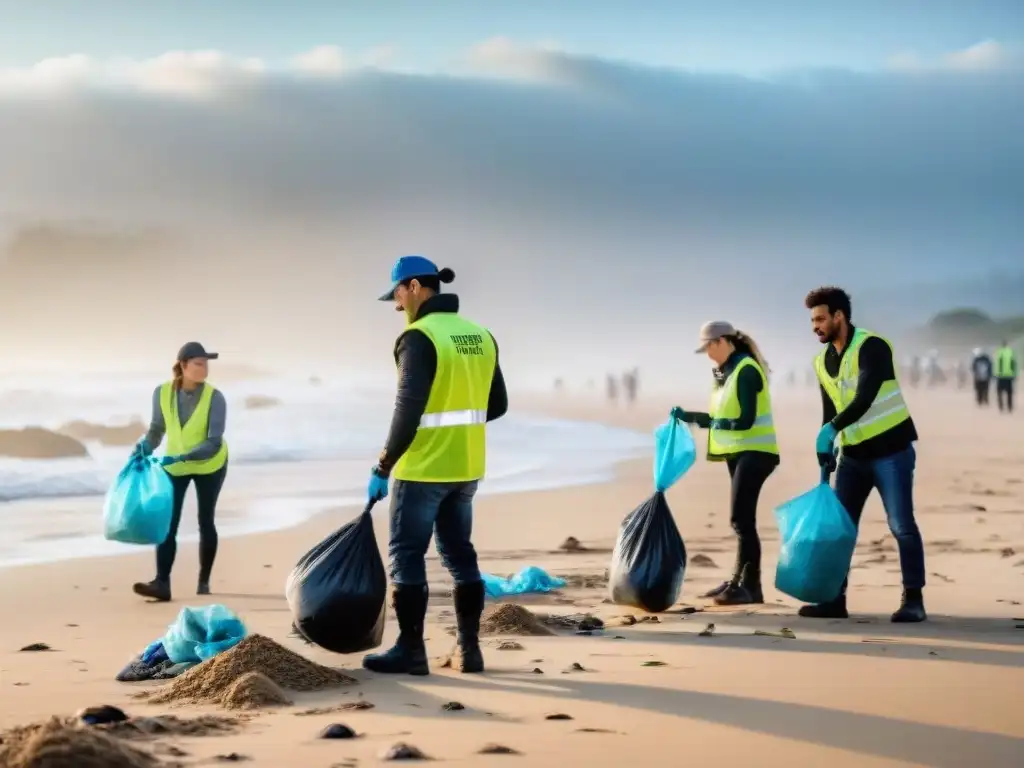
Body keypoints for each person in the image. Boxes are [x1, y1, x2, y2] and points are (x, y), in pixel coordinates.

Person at [362, 256, 508, 677]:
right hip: (466, 466)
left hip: (423, 468)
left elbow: (407, 410)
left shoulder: (419, 338)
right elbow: (496, 405)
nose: (395, 306)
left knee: (406, 556)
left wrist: (383, 465)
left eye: (396, 295)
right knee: (460, 555)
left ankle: (411, 651)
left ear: (412, 287)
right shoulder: (481, 335)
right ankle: (470, 651)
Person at [803, 287, 926, 623]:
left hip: (892, 453)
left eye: (820, 318)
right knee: (841, 530)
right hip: (852, 458)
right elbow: (830, 409)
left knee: (901, 525)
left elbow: (867, 394)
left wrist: (831, 428)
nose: (815, 325)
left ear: (839, 316)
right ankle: (834, 599)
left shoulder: (872, 346)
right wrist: (827, 444)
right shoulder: (821, 361)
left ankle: (913, 599)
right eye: (812, 320)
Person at [671, 321, 779, 606]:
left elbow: (744, 420)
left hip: (756, 452)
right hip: (741, 452)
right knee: (742, 520)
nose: (707, 354)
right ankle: (742, 583)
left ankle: (747, 586)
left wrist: (706, 421)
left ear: (721, 341)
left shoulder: (745, 371)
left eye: (708, 348)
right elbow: (720, 415)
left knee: (742, 521)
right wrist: (691, 416)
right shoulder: (727, 372)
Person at [132, 342, 229, 602]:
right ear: (183, 366)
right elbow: (156, 430)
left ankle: (204, 581)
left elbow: (214, 441)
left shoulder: (215, 397)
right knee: (167, 522)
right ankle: (162, 583)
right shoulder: (161, 393)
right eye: (199, 363)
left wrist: (183, 455)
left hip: (210, 464)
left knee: (205, 520)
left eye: (206, 363)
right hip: (175, 465)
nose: (204, 368)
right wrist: (144, 447)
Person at [994, 340, 1017, 413]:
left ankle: (1001, 406)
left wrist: (995, 374)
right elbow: (1014, 363)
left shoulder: (998, 352)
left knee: (999, 392)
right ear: (1007, 345)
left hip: (1000, 376)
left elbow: (997, 363)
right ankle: (1010, 407)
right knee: (1009, 393)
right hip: (1009, 375)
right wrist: (1015, 374)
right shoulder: (1011, 351)